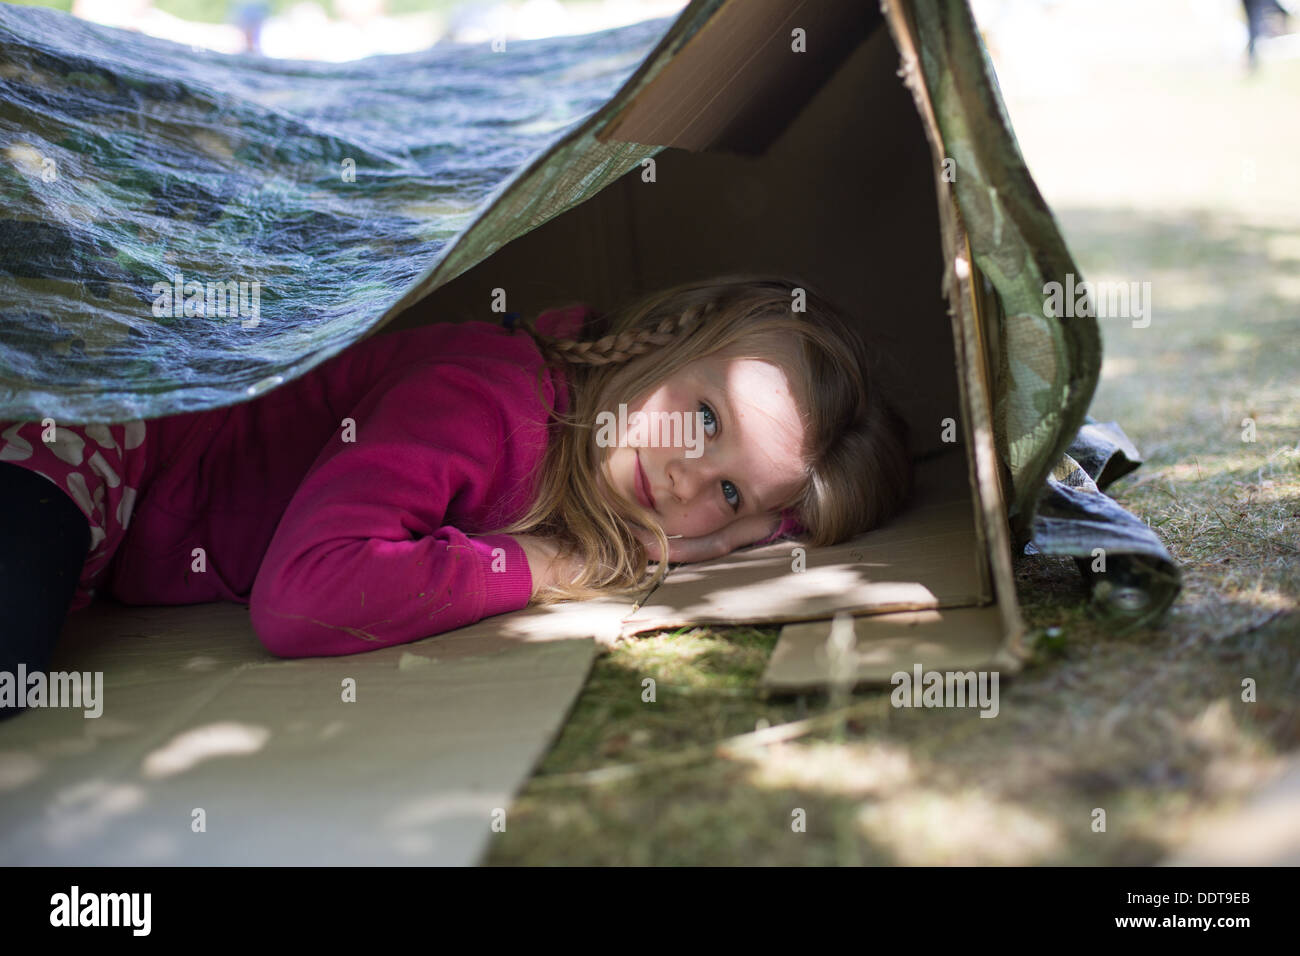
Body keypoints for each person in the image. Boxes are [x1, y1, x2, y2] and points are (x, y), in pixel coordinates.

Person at [0, 274, 911, 716]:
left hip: (119, 529)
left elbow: (789, 507)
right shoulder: (488, 400)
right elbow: (302, 598)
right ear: (660, 341)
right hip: (95, 422)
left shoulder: (595, 453)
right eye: (705, 417)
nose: (682, 475)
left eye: (727, 491)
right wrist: (559, 563)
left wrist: (754, 525)